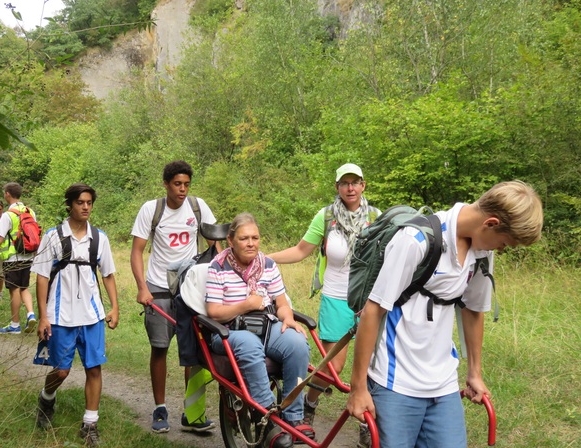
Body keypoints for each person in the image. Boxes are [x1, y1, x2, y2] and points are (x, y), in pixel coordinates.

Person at [346, 181, 543, 448]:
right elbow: (373, 311)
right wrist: (358, 388)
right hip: (395, 382)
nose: (501, 249)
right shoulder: (415, 240)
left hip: (444, 382)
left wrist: (474, 371)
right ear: (492, 223)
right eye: (505, 243)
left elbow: (473, 310)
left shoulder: (482, 252)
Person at [268, 163, 380, 446]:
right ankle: (310, 403)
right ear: (337, 187)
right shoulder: (327, 217)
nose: (351, 188)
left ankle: (368, 424)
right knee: (334, 368)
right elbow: (300, 250)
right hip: (336, 297)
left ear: (363, 185)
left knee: (373, 367)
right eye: (345, 183)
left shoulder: (377, 217)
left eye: (355, 182)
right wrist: (264, 257)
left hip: (371, 301)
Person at [206, 213, 313, 448]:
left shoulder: (268, 265)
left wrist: (288, 319)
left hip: (265, 325)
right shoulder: (218, 267)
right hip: (228, 331)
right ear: (231, 240)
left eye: (255, 237)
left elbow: (282, 303)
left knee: (297, 342)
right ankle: (269, 419)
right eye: (244, 238)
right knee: (249, 343)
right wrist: (246, 305)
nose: (251, 243)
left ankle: (293, 419)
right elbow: (213, 312)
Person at [131, 160, 218, 433]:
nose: (182, 190)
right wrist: (142, 287)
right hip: (158, 287)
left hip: (190, 288)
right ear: (166, 184)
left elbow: (215, 243)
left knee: (196, 352)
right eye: (177, 184)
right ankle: (160, 409)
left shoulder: (198, 206)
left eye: (186, 184)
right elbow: (137, 251)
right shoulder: (151, 209)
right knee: (160, 348)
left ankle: (192, 414)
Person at [31, 183, 119, 447]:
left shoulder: (99, 237)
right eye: (80, 202)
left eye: (89, 203)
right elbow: (42, 277)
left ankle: (90, 424)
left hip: (92, 315)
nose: (85, 207)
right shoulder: (53, 237)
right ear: (69, 204)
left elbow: (108, 275)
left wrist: (114, 307)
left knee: (94, 367)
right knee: (61, 371)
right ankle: (47, 399)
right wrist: (44, 317)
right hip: (60, 316)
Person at [0, 182, 37, 334]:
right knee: (24, 287)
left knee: (14, 289)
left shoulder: (8, 215)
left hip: (12, 258)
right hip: (28, 256)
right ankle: (31, 313)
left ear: (7, 194)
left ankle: (15, 324)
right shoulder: (30, 212)